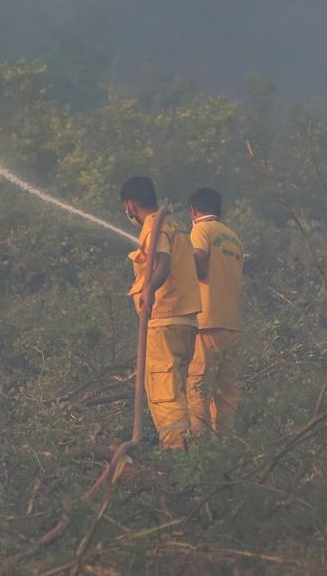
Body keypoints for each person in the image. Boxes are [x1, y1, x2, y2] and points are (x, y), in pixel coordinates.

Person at [121, 176, 202, 450]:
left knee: (164, 393)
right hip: (186, 321)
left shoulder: (153, 226)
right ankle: (196, 454)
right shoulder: (176, 225)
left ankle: (179, 457)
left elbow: (162, 264)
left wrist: (149, 289)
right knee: (179, 392)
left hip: (165, 320)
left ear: (130, 205)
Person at [186, 187, 244, 437]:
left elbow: (199, 264)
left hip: (207, 320)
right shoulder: (234, 237)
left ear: (193, 211)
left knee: (199, 386)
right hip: (232, 323)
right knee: (226, 391)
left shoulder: (201, 229)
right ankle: (223, 444)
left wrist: (180, 259)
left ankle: (199, 449)